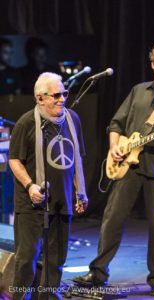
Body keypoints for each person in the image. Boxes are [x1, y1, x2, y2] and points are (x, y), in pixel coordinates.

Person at [73, 43, 154, 296]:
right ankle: (98, 273)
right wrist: (115, 145)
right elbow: (116, 123)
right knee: (112, 218)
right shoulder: (138, 90)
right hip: (128, 164)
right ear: (152, 64)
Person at [8, 72, 88, 299]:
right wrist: (30, 186)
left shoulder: (73, 119)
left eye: (64, 93)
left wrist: (80, 192)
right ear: (40, 99)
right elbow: (14, 159)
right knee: (26, 260)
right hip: (32, 202)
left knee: (56, 259)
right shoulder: (26, 123)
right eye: (56, 95)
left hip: (62, 200)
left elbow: (76, 159)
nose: (62, 99)